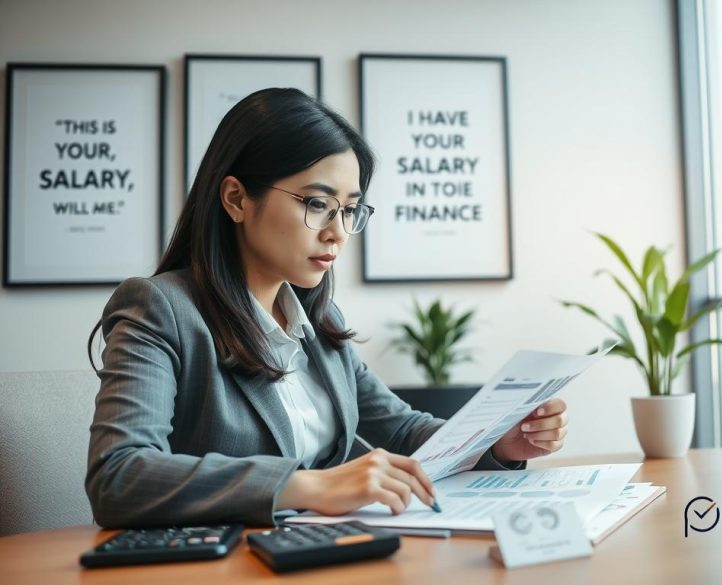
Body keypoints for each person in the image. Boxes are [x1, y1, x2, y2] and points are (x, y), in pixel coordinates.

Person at [85, 88, 569, 528]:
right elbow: (119, 475)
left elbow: (400, 428)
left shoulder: (318, 321)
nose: (337, 231)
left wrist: (497, 444)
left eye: (349, 209)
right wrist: (311, 487)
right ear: (236, 198)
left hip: (323, 554)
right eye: (317, 204)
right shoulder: (161, 308)